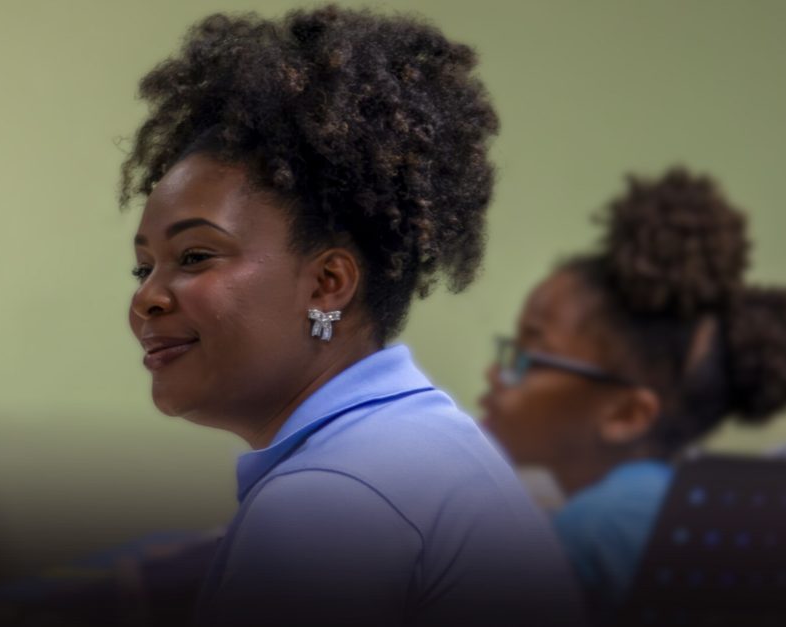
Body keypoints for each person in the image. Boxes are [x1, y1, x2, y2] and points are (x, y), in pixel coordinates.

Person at [122, 6, 585, 626]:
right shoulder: (414, 441)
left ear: (328, 284)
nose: (147, 298)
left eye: (195, 256)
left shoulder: (330, 496)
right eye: (143, 269)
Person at [480, 167, 786, 623]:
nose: (495, 373)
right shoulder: (683, 508)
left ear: (627, 415)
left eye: (527, 356)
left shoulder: (597, 528)